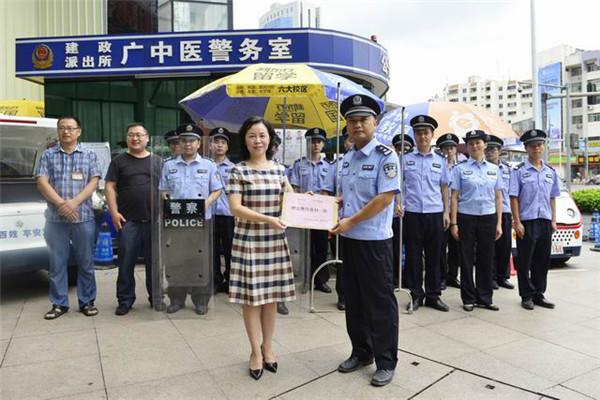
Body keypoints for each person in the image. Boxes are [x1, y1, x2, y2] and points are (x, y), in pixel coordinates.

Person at [331, 94, 400, 387]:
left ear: (375, 123)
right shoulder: (347, 159)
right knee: (355, 300)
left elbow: (385, 198)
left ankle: (386, 361)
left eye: (363, 120)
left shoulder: (386, 156)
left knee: (379, 302)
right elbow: (347, 196)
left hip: (374, 242)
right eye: (352, 121)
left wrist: (351, 220)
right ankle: (361, 352)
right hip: (349, 238)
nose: (357, 125)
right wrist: (326, 205)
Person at [226, 116, 296, 381]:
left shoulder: (280, 170)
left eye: (262, 135)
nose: (258, 140)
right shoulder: (238, 171)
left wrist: (309, 202)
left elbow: (291, 200)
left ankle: (268, 347)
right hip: (249, 242)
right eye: (252, 136)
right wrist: (268, 219)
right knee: (252, 300)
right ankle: (255, 351)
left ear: (270, 139)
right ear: (245, 140)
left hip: (274, 242)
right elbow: (236, 208)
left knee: (271, 299)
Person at [35, 116, 101, 319]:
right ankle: (59, 303)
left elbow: (94, 182)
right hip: (55, 220)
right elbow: (42, 182)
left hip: (84, 218)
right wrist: (61, 204)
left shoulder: (89, 155)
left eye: (71, 128)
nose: (66, 131)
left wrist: (74, 202)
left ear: (79, 131)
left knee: (86, 263)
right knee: (57, 264)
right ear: (58, 131)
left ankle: (87, 301)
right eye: (62, 128)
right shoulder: (47, 155)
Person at [159, 123, 223, 315]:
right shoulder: (169, 165)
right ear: (179, 143)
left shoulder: (208, 165)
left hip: (201, 221)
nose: (187, 144)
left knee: (200, 261)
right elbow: (163, 190)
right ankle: (176, 299)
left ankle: (201, 300)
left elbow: (217, 189)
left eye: (192, 140)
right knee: (176, 260)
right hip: (176, 221)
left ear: (198, 143)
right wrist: (168, 201)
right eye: (184, 140)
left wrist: (206, 204)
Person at [105, 122, 163, 315]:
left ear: (147, 138)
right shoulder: (118, 161)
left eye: (139, 135)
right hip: (128, 221)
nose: (135, 138)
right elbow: (110, 186)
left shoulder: (158, 161)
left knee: (154, 264)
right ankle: (125, 300)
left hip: (154, 220)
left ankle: (156, 298)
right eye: (131, 135)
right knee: (126, 263)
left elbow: (166, 189)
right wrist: (114, 212)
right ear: (127, 138)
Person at [450, 130, 503, 312]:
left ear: (485, 145)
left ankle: (485, 297)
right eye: (471, 143)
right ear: (467, 147)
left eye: (478, 143)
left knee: (486, 258)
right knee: (466, 259)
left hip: (488, 217)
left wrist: (499, 223)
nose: (474, 146)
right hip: (466, 217)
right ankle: (468, 298)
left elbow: (498, 197)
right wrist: (454, 223)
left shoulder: (494, 169)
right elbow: (454, 197)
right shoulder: (460, 169)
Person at [403, 115, 451, 312]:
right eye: (419, 133)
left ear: (432, 135)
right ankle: (416, 295)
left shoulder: (440, 160)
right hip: (412, 213)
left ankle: (433, 295)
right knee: (413, 256)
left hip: (435, 213)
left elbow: (444, 187)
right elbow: (399, 185)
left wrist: (446, 212)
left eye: (426, 133)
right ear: (414, 135)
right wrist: (398, 203)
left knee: (434, 256)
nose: (422, 136)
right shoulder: (405, 159)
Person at [509, 129, 559, 310]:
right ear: (526, 148)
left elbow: (552, 197)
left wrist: (553, 220)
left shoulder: (550, 172)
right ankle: (526, 295)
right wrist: (517, 222)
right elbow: (514, 197)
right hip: (527, 221)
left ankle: (539, 293)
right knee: (525, 261)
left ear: (543, 147)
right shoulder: (518, 171)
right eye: (532, 146)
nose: (536, 149)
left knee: (542, 260)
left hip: (545, 221)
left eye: (539, 145)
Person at [290, 127, 333, 294]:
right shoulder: (299, 165)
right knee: (306, 248)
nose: (316, 144)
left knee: (321, 248)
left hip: (321, 214)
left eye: (319, 141)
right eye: (312, 141)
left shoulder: (329, 166)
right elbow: (294, 188)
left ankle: (321, 280)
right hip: (304, 212)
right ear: (307, 143)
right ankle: (306, 280)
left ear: (323, 144)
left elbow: (329, 190)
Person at [322, 126, 353, 311]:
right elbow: (327, 191)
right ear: (345, 142)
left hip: (365, 222)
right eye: (349, 139)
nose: (352, 142)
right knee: (342, 260)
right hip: (340, 221)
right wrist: (329, 219)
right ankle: (343, 295)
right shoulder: (337, 166)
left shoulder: (376, 160)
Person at [485, 135, 515, 290]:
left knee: (505, 246)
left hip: (506, 211)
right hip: (489, 211)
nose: (490, 152)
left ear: (499, 151)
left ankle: (503, 277)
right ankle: (491, 277)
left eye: (493, 149)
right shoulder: (483, 169)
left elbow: (513, 193)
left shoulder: (508, 170)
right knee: (490, 246)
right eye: (488, 149)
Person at [210, 127, 236, 294]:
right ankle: (215, 281)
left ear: (227, 146)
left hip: (228, 216)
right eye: (216, 142)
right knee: (211, 250)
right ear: (210, 145)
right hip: (209, 214)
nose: (219, 145)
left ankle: (230, 281)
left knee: (230, 250)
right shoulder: (205, 165)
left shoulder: (234, 168)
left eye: (223, 142)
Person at [436, 133, 462, 290]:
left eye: (452, 147)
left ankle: (453, 275)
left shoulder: (463, 165)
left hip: (458, 211)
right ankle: (442, 276)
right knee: (441, 245)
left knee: (456, 245)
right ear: (441, 150)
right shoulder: (438, 164)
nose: (449, 151)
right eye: (446, 148)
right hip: (442, 210)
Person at [391, 133, 414, 288]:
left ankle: (408, 279)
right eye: (400, 148)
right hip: (394, 213)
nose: (403, 150)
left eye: (406, 148)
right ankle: (394, 278)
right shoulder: (392, 164)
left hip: (411, 211)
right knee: (395, 248)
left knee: (411, 248)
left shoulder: (413, 164)